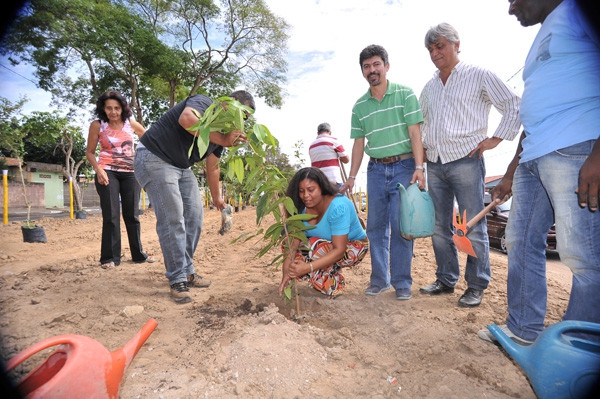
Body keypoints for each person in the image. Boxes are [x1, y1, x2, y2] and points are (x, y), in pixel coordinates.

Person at [478, 0, 600, 345]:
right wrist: (510, 172)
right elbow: (532, 116)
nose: (511, 8)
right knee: (519, 242)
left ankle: (578, 346)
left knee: (584, 255)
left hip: (576, 147)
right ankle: (522, 330)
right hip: (532, 157)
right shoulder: (541, 35)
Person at [418, 23, 521, 307]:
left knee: (473, 226)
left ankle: (476, 285)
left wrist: (496, 139)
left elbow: (513, 104)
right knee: (440, 227)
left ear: (456, 44)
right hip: (435, 165)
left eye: (440, 46)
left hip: (467, 161)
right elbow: (421, 124)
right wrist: (423, 151)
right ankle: (445, 278)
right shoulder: (428, 88)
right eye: (431, 49)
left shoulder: (478, 75)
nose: (435, 52)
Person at [134, 90, 254, 304]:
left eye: (245, 119)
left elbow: (213, 166)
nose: (239, 121)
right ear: (228, 103)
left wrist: (217, 198)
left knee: (195, 217)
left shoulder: (221, 134)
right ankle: (177, 278)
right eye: (240, 114)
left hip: (180, 166)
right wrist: (223, 139)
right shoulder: (205, 102)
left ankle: (187, 270)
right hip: (154, 157)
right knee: (173, 219)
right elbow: (186, 119)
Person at [340, 44, 425, 300]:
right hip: (375, 169)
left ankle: (402, 283)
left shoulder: (405, 94)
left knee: (402, 226)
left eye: (376, 64)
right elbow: (358, 144)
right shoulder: (359, 107)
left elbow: (414, 134)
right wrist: (352, 176)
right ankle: (379, 280)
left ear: (386, 66)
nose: (372, 70)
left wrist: (420, 167)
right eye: (366, 67)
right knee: (375, 228)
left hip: (404, 167)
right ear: (362, 72)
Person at [86, 91, 155, 269]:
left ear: (122, 109)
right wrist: (98, 169)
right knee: (111, 215)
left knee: (132, 215)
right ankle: (109, 258)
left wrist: (145, 161)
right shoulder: (97, 125)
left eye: (117, 108)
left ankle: (138, 255)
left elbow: (148, 140)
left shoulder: (129, 124)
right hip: (107, 172)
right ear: (103, 109)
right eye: (109, 108)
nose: (113, 112)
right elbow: (90, 152)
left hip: (131, 173)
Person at [278, 167, 368, 298]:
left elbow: (339, 250)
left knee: (316, 246)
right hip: (324, 245)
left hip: (353, 247)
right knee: (288, 242)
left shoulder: (338, 206)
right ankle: (322, 274)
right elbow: (292, 247)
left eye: (311, 190)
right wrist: (286, 275)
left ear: (322, 188)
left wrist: (307, 268)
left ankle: (334, 284)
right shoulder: (300, 208)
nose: (306, 196)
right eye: (301, 191)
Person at [308, 122, 349, 187]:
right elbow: (346, 160)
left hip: (318, 181)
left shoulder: (311, 146)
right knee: (341, 197)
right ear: (330, 132)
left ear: (318, 133)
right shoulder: (333, 142)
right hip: (333, 180)